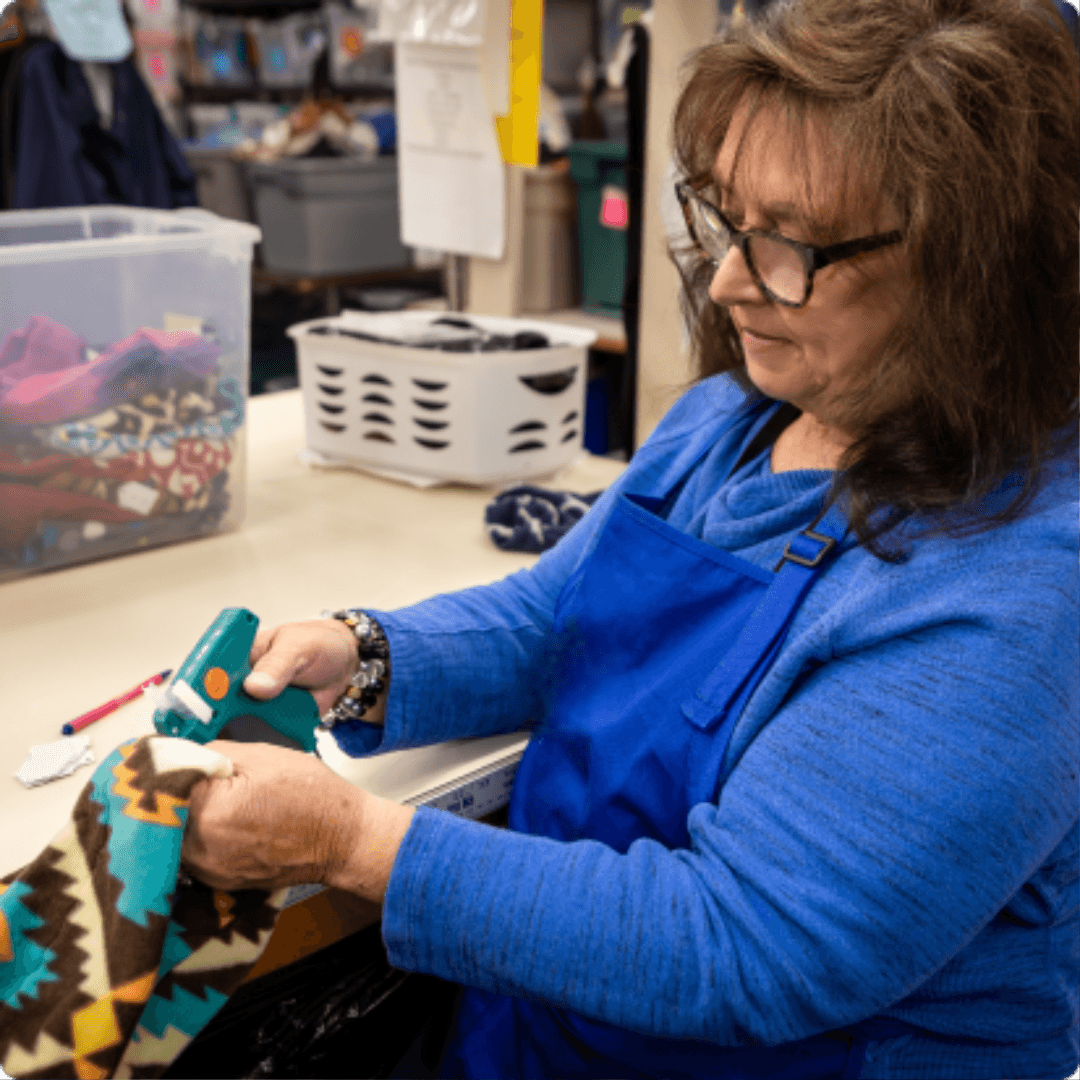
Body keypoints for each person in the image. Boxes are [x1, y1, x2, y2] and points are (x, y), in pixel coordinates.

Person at [180, 0, 1080, 1076]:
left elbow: (745, 945)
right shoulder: (734, 421)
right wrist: (360, 658)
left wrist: (350, 841)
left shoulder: (1020, 586)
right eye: (727, 221)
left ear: (981, 268)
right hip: (565, 1023)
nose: (734, 281)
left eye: (789, 244)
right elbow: (557, 616)